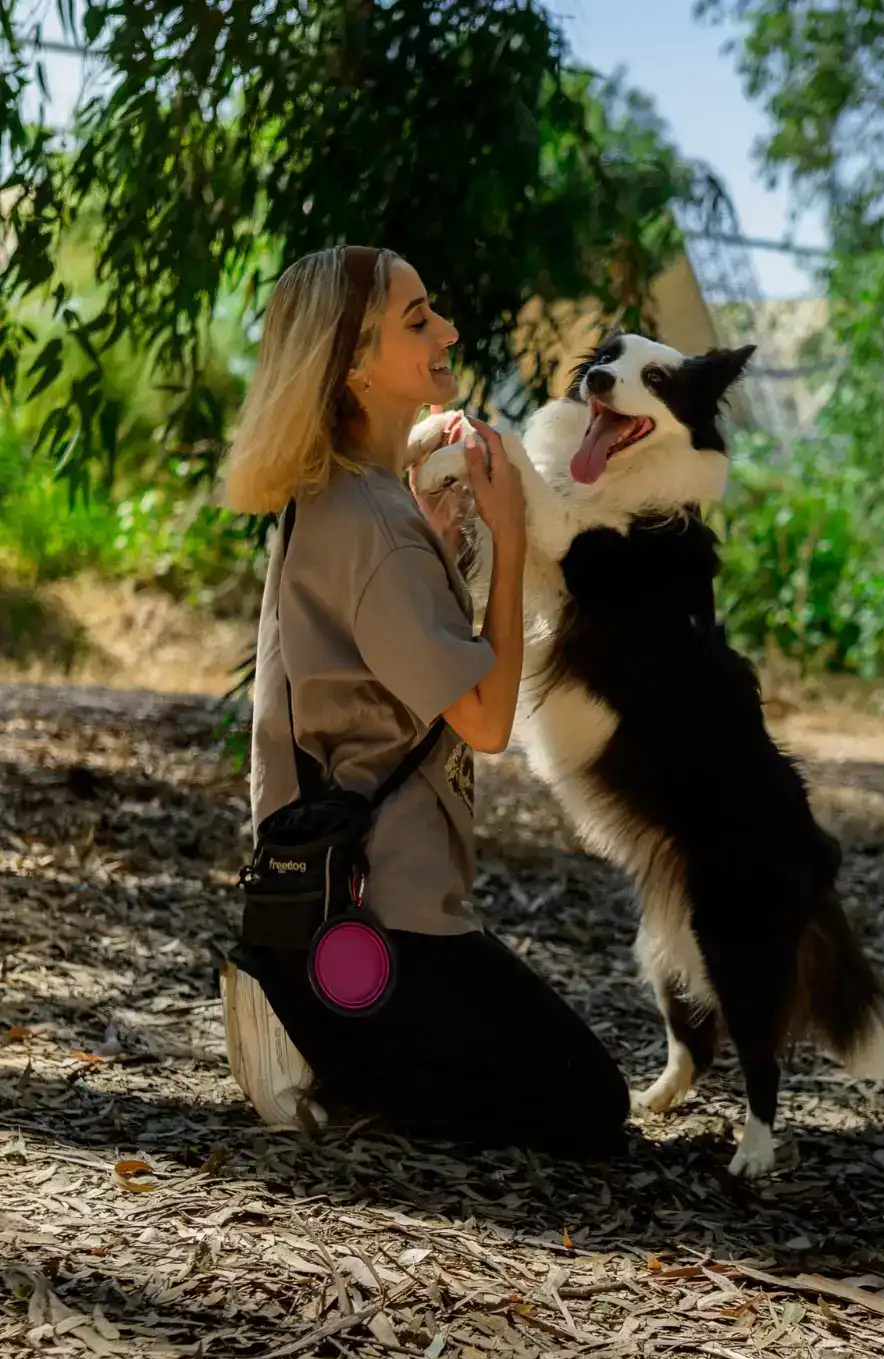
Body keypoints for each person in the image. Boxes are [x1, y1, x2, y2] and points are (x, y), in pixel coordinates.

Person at [217, 244, 630, 1155]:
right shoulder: (373, 525)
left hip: (330, 897)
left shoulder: (344, 491)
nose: (445, 329)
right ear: (353, 363)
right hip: (371, 921)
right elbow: (483, 721)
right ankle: (331, 1051)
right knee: (590, 1108)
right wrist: (510, 539)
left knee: (560, 1082)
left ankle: (337, 1035)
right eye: (417, 320)